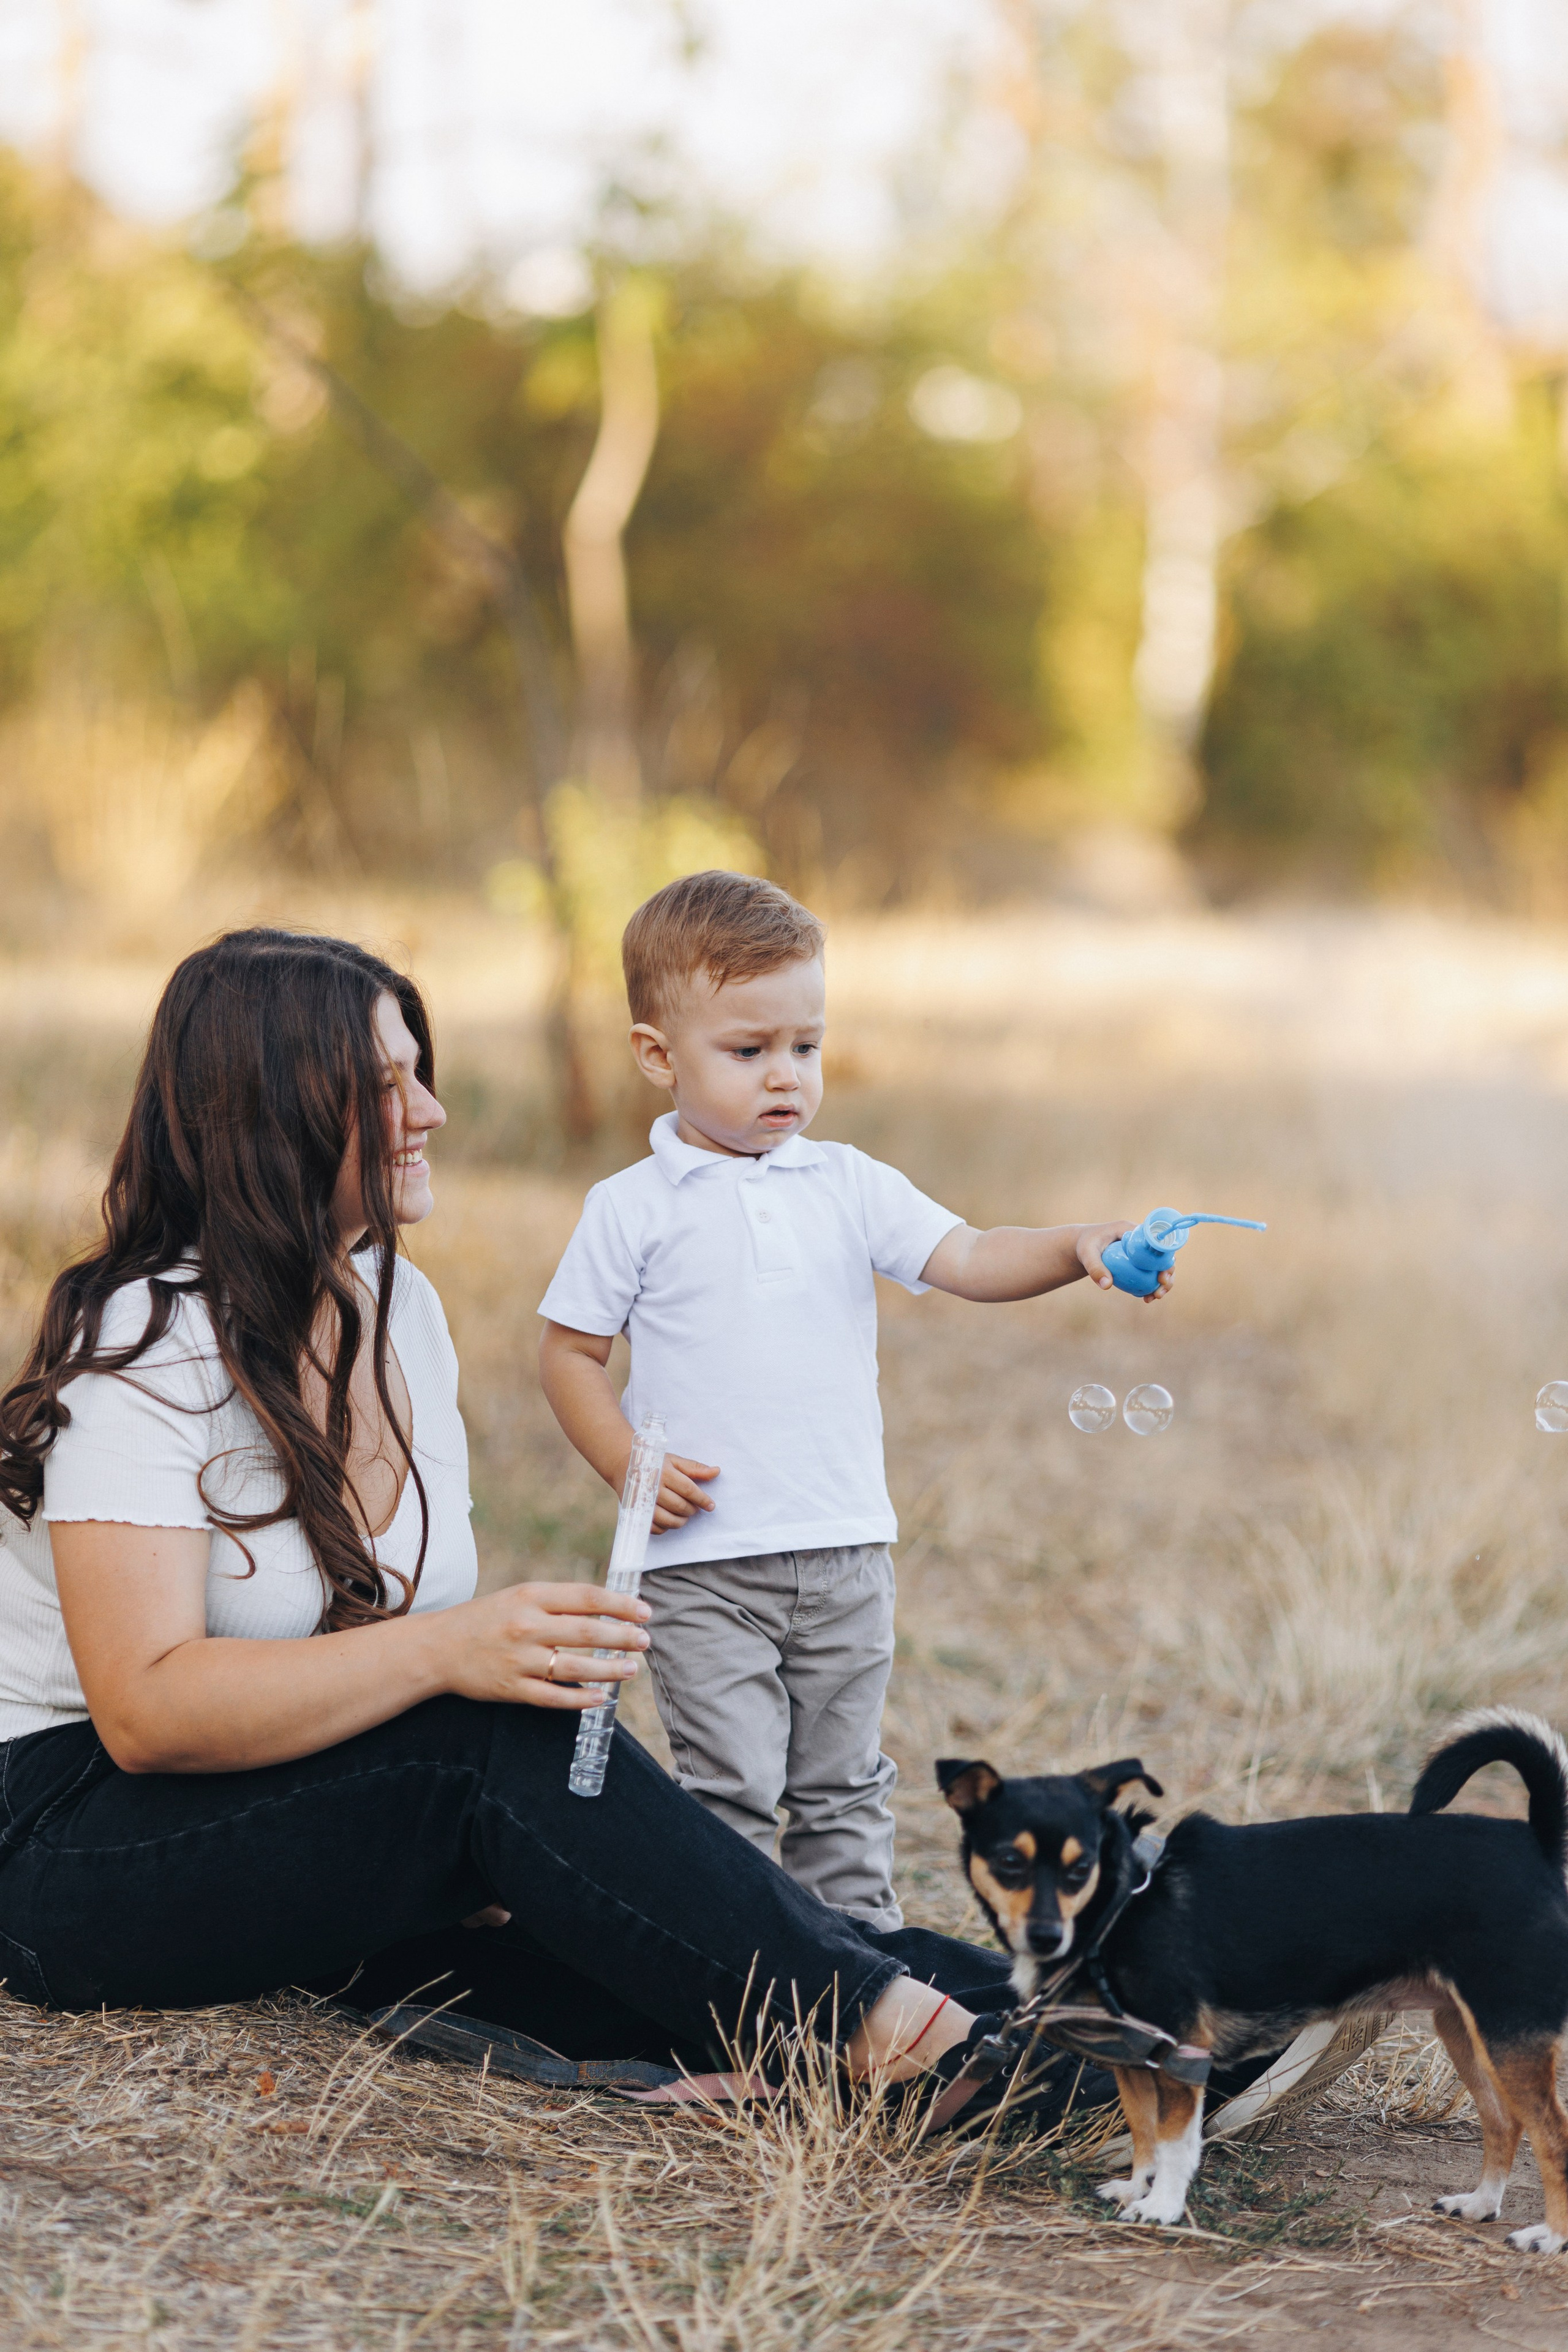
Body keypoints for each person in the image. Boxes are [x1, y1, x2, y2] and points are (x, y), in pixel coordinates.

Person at [0, 925, 1071, 2125]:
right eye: (384, 1084)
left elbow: (394, 1671)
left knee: (653, 1915)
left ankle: (1110, 2030)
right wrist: (458, 1658)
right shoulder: (141, 1343)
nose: (431, 1110)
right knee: (490, 1741)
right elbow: (145, 1714)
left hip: (283, 1807)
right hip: (62, 1844)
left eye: (421, 1069)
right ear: (269, 1110)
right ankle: (905, 2045)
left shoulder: (399, 1310)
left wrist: (507, 1750)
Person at [538, 872, 1170, 1934]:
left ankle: (861, 1979)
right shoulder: (631, 1209)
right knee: (730, 1792)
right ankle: (736, 1986)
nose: (785, 1077)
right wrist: (626, 1467)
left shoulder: (845, 1182)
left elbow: (967, 1255)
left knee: (843, 1789)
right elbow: (569, 1356)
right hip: (706, 1566)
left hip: (843, 1553)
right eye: (748, 1052)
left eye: (807, 1047)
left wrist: (1073, 1246)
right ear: (659, 1056)